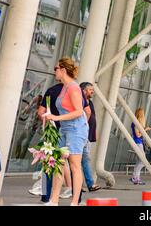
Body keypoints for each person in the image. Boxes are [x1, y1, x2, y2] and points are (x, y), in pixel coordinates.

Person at [32, 79, 89, 200]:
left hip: (53, 130)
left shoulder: (52, 91)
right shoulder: (76, 90)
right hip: (70, 129)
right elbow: (87, 112)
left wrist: (49, 119)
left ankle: (46, 196)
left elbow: (41, 112)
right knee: (71, 164)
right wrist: (83, 127)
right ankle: (75, 197)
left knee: (50, 163)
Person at [43, 57, 89, 206]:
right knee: (58, 164)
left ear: (63, 70)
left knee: (75, 165)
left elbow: (78, 111)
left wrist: (56, 117)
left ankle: (74, 202)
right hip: (64, 128)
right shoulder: (64, 87)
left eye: (55, 68)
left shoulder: (74, 88)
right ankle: (53, 200)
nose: (54, 71)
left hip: (75, 129)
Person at [79, 82, 101, 192]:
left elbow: (92, 118)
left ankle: (86, 184)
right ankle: (86, 184)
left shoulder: (90, 103)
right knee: (81, 160)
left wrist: (93, 134)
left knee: (84, 160)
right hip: (80, 135)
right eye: (90, 89)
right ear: (83, 90)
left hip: (87, 136)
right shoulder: (80, 102)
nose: (92, 91)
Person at [130, 108, 151, 185]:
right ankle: (135, 177)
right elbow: (138, 135)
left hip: (139, 143)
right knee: (143, 161)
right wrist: (145, 130)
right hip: (137, 143)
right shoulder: (136, 123)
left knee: (140, 160)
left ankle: (136, 177)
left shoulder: (136, 123)